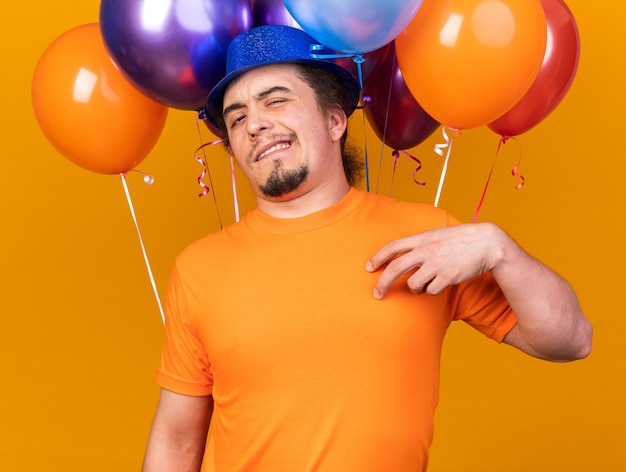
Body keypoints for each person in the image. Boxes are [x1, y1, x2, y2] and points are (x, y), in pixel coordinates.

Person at [142, 25, 592, 472]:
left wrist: (500, 248)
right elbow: (177, 438)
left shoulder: (428, 239)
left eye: (275, 100)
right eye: (237, 118)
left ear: (335, 120)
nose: (254, 123)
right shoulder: (198, 268)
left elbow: (570, 340)